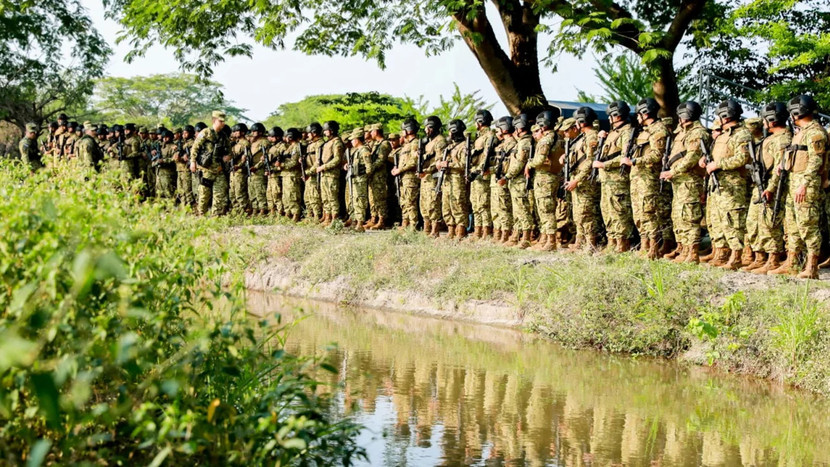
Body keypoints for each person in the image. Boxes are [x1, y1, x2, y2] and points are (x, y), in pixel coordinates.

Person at [766, 95, 828, 278]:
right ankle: (792, 263)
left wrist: (805, 184)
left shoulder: (815, 132)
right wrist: (782, 165)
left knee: (807, 225)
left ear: (796, 112)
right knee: (792, 225)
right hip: (794, 181)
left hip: (805, 185)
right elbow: (796, 154)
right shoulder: (800, 132)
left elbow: (816, 161)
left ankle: (811, 267)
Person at [739, 103, 792, 273]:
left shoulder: (782, 139)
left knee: (770, 224)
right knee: (754, 223)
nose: (762, 123)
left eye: (764, 119)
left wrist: (770, 188)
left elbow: (780, 168)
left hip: (771, 187)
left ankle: (773, 259)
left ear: (772, 119)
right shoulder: (770, 139)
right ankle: (760, 256)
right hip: (760, 185)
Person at [702, 99, 752, 269]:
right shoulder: (723, 135)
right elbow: (714, 156)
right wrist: (705, 160)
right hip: (717, 185)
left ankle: (736, 256)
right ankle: (721, 254)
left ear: (725, 115)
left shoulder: (742, 134)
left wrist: (718, 164)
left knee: (733, 221)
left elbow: (742, 158)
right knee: (717, 220)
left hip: (732, 185)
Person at [659, 101, 710, 263]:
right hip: (679, 181)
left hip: (690, 181)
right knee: (678, 215)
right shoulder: (681, 132)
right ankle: (683, 249)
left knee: (689, 216)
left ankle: (692, 253)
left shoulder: (698, 133)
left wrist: (673, 171)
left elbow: (691, 158)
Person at [625, 98, 671, 259]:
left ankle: (653, 246)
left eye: (639, 113)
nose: (637, 117)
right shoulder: (644, 130)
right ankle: (644, 244)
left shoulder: (658, 130)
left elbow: (657, 155)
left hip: (648, 178)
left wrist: (635, 161)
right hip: (638, 177)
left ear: (645, 113)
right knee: (639, 213)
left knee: (649, 212)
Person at [593, 101, 635, 252]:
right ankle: (612, 240)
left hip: (617, 179)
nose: (609, 118)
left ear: (616, 116)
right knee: (607, 210)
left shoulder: (626, 132)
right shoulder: (612, 132)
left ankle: (622, 243)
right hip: (607, 180)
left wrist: (604, 165)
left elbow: (625, 157)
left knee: (619, 212)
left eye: (610, 115)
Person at [563, 107, 601, 251]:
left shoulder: (592, 136)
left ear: (581, 122)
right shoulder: (582, 137)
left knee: (586, 213)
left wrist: (577, 180)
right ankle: (580, 241)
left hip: (584, 181)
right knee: (578, 213)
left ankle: (590, 244)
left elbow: (590, 161)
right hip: (578, 180)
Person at [527, 109, 565, 251]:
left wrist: (529, 164)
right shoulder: (559, 138)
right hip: (553, 177)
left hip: (545, 178)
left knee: (546, 210)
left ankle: (550, 242)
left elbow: (539, 160)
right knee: (546, 209)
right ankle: (544, 239)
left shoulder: (546, 139)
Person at [502, 114, 535, 248]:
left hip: (520, 180)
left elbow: (520, 162)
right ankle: (516, 234)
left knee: (523, 209)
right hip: (516, 181)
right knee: (517, 210)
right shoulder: (522, 141)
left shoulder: (525, 142)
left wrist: (507, 176)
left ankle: (526, 238)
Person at [191, 110, 231, 216]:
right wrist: (192, 162)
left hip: (219, 170)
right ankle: (201, 215)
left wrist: (228, 156)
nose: (223, 123)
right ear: (214, 121)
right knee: (204, 195)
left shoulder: (223, 136)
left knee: (220, 193)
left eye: (223, 121)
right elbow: (195, 147)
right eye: (220, 121)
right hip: (206, 170)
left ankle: (215, 216)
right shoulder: (205, 132)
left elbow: (229, 151)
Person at [436, 120, 469, 239]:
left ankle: (460, 230)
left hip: (457, 179)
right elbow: (439, 159)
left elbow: (464, 165)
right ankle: (451, 229)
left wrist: (449, 164)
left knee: (458, 204)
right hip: (447, 180)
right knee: (446, 205)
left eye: (450, 131)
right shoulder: (449, 147)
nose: (449, 134)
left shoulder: (465, 146)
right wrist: (439, 163)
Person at [468, 109, 496, 240]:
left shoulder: (489, 136)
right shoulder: (479, 137)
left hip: (482, 175)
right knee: (475, 203)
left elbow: (486, 157)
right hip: (475, 175)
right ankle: (477, 230)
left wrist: (477, 171)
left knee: (483, 203)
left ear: (480, 122)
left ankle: (486, 231)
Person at [420, 116, 447, 237]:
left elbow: (438, 161)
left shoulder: (440, 141)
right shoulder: (429, 142)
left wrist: (426, 170)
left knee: (433, 203)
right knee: (424, 203)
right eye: (426, 128)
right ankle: (427, 228)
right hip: (425, 177)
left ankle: (435, 230)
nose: (427, 130)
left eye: (429, 127)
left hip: (433, 177)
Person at [491, 116, 516, 243]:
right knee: (496, 208)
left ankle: (505, 234)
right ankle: (498, 233)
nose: (497, 131)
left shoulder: (511, 143)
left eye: (498, 129)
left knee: (503, 208)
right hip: (497, 179)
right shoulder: (502, 144)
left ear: (504, 129)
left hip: (504, 179)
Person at [392, 118, 421, 230]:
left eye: (403, 129)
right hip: (403, 177)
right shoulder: (406, 145)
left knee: (410, 202)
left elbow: (414, 161)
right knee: (404, 201)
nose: (401, 132)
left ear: (408, 130)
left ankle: (413, 225)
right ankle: (405, 223)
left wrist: (400, 169)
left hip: (411, 177)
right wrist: (397, 168)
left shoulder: (415, 143)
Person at [344, 128, 372, 231]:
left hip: (360, 179)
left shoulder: (364, 150)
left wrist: (365, 178)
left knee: (360, 201)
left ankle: (360, 223)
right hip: (354, 179)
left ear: (358, 139)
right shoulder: (356, 151)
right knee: (353, 200)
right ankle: (354, 220)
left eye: (353, 139)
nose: (351, 141)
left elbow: (369, 167)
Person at [317, 121, 344, 225]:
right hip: (324, 174)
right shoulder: (328, 142)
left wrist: (324, 167)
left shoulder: (337, 142)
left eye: (326, 130)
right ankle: (327, 217)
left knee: (332, 197)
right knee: (325, 197)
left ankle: (334, 219)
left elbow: (337, 159)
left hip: (332, 174)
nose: (324, 132)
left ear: (332, 130)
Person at [366, 124, 391, 229]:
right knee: (373, 198)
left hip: (380, 176)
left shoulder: (384, 144)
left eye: (371, 131)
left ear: (376, 131)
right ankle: (374, 218)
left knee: (380, 198)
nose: (370, 133)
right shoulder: (376, 144)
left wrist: (371, 168)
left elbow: (381, 160)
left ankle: (382, 220)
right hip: (374, 176)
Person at [280, 128, 304, 221]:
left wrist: (281, 165)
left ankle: (296, 214)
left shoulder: (297, 146)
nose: (285, 138)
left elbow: (294, 163)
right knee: (286, 196)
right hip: (286, 174)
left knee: (293, 195)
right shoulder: (289, 147)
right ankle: (288, 212)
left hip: (292, 175)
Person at [228, 123, 252, 215]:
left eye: (236, 131)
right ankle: (236, 210)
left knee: (240, 192)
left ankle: (244, 211)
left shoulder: (245, 143)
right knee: (232, 193)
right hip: (233, 171)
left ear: (242, 132)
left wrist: (239, 165)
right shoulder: (235, 143)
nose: (234, 133)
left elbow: (246, 158)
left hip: (240, 171)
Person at [304, 122, 324, 221]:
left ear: (314, 133)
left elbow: (318, 161)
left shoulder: (320, 143)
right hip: (309, 173)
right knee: (307, 196)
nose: (307, 135)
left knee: (314, 196)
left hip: (314, 173)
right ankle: (310, 214)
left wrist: (309, 171)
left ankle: (317, 215)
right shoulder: (311, 144)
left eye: (309, 133)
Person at [248, 123, 269, 216]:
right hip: (251, 170)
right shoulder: (253, 142)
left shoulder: (264, 142)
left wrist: (256, 166)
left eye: (254, 131)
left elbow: (265, 157)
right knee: (252, 191)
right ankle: (255, 208)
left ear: (260, 132)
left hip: (259, 170)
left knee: (260, 190)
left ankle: (262, 209)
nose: (252, 133)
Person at [265, 127, 287, 216]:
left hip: (276, 173)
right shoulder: (272, 147)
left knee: (276, 193)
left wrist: (273, 168)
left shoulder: (282, 146)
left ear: (277, 137)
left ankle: (280, 211)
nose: (270, 138)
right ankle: (272, 211)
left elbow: (282, 160)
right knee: (269, 193)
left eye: (272, 136)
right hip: (270, 173)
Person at [155, 130, 177, 198]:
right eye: (164, 137)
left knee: (169, 193)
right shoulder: (160, 146)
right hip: (159, 172)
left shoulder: (173, 147)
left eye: (167, 137)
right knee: (159, 193)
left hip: (168, 173)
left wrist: (164, 161)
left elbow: (174, 159)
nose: (165, 139)